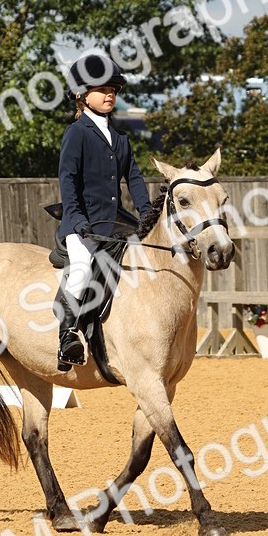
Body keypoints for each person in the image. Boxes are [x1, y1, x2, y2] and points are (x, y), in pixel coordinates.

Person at [54, 51, 153, 367]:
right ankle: (67, 335)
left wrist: (147, 210)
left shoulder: (120, 138)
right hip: (80, 223)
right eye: (102, 89)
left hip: (115, 224)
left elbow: (134, 177)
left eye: (113, 89)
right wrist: (78, 221)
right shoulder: (77, 133)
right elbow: (67, 180)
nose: (110, 94)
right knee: (82, 267)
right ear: (82, 95)